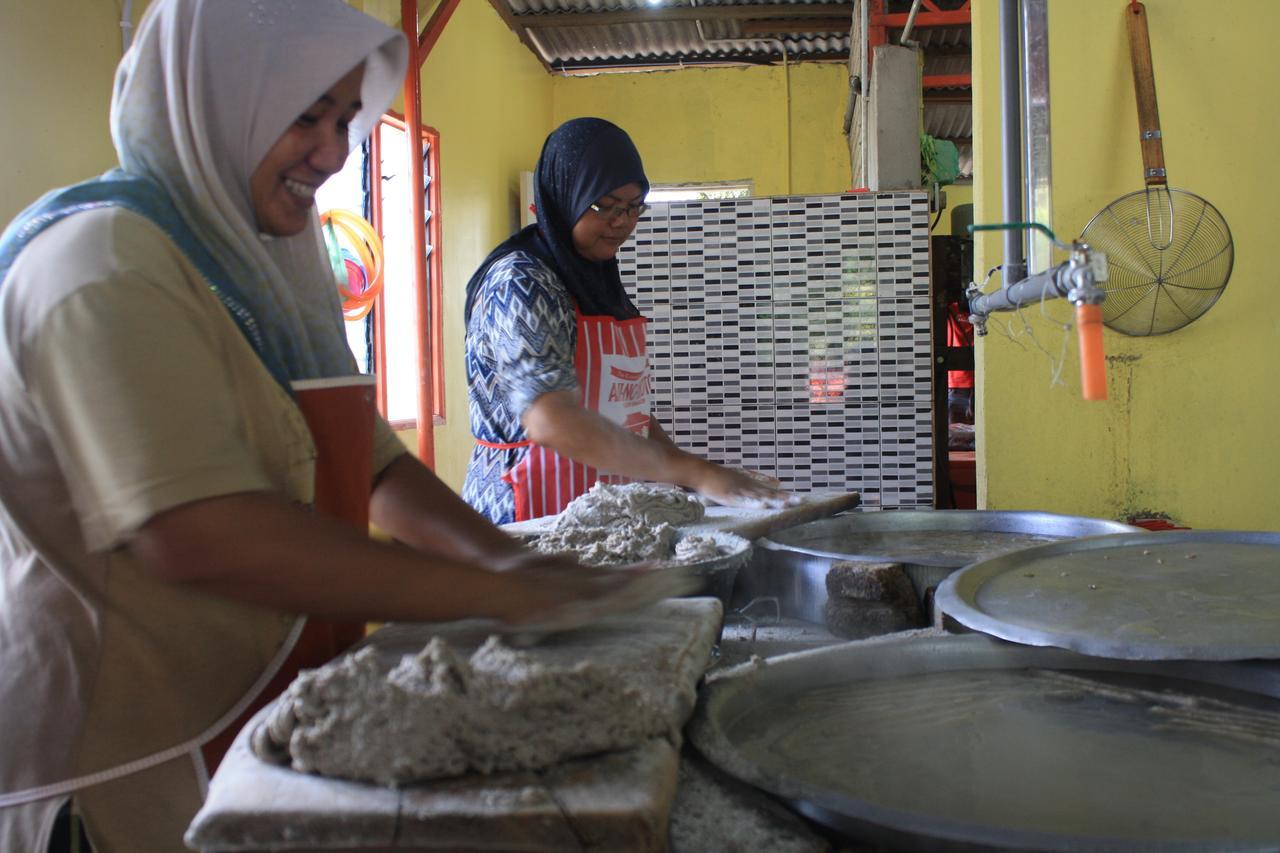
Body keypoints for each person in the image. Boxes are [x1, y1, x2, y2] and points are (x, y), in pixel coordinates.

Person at [0, 3, 639, 850]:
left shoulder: (274, 263)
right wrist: (498, 596)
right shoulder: (97, 267)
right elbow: (202, 534)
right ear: (217, 99)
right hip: (122, 777)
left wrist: (510, 556)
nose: (337, 153)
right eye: (306, 117)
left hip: (263, 725)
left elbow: (370, 461)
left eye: (345, 119)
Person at [462, 118, 791, 524]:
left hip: (597, 509)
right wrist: (697, 472)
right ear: (566, 196)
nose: (623, 222)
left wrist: (690, 476)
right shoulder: (523, 282)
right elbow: (551, 421)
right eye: (604, 205)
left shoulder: (596, 280)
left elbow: (625, 410)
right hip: (524, 514)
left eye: (634, 207)